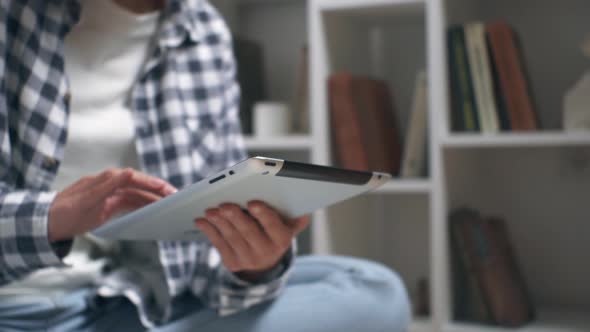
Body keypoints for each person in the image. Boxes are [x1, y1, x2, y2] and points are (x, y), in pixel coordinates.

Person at [0, 0, 411, 331]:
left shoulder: (203, 29)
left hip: (127, 298)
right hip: (16, 309)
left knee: (373, 290)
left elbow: (201, 250)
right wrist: (54, 218)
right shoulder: (14, 17)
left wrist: (252, 267)